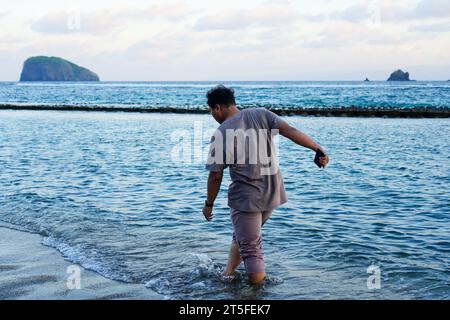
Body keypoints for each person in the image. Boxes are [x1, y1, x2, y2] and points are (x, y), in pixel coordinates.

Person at [203, 85, 329, 285]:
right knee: (243, 236)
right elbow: (290, 130)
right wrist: (318, 149)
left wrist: (209, 203)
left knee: (251, 249)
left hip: (247, 200)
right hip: (272, 195)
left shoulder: (221, 133)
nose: (212, 114)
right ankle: (228, 274)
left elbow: (215, 176)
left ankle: (256, 293)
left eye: (211, 110)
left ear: (217, 107)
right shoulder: (261, 114)